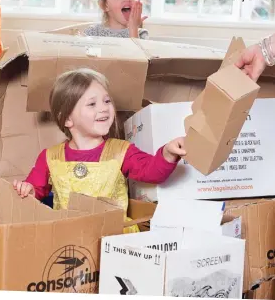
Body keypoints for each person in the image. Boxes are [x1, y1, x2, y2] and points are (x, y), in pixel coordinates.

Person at [13, 68, 186, 233]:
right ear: (66, 119)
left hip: (115, 240)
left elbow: (151, 172)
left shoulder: (121, 151)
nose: (103, 108)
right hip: (72, 240)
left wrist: (168, 153)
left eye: (107, 101)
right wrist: (28, 189)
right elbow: (36, 189)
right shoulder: (50, 157)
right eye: (92, 104)